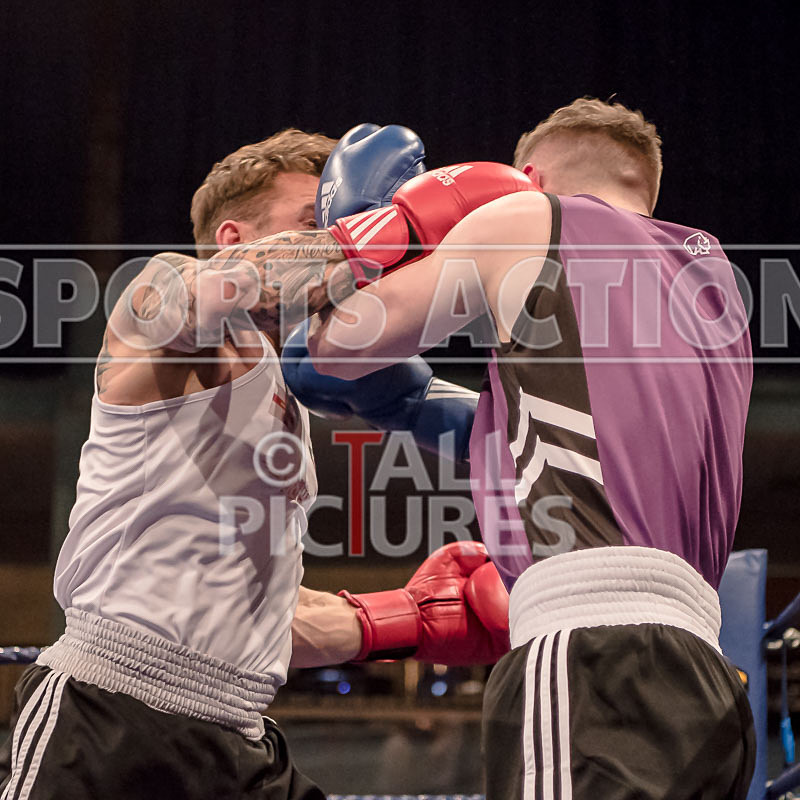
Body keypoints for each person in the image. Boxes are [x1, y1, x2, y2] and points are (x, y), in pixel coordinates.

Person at [0, 128, 511, 800]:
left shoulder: (288, 397)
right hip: (107, 717)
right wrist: (385, 233)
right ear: (233, 239)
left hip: (239, 733)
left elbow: (252, 625)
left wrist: (406, 618)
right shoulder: (161, 296)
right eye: (312, 222)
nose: (333, 233)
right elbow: (209, 296)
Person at [302, 98, 756, 799]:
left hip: (591, 657)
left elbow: (333, 350)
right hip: (707, 679)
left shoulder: (526, 217)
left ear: (530, 178)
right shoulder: (715, 279)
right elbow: (603, 424)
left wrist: (366, 226)